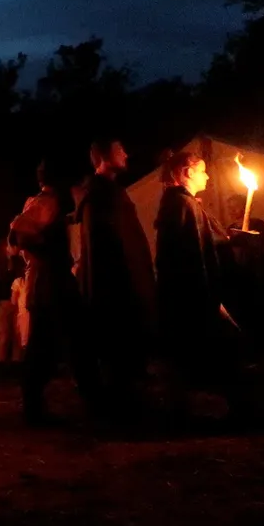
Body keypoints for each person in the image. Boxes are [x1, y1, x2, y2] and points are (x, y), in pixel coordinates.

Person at [155, 152, 252, 423]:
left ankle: (198, 407)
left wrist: (231, 237)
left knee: (204, 353)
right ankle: (213, 411)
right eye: (202, 171)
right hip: (192, 295)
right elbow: (193, 254)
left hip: (192, 294)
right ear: (187, 173)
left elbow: (204, 239)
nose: (207, 176)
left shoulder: (182, 203)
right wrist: (209, 299)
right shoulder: (181, 205)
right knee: (216, 349)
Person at [73, 138, 157, 422]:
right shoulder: (99, 195)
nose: (127, 153)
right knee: (118, 352)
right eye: (121, 150)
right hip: (115, 290)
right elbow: (107, 248)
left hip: (121, 285)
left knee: (124, 355)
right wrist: (127, 284)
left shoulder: (107, 192)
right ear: (105, 156)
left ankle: (123, 405)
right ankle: (119, 411)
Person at [10, 160, 88, 425]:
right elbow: (20, 231)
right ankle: (34, 405)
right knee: (47, 341)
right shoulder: (45, 202)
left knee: (68, 337)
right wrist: (48, 254)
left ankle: (89, 396)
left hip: (53, 278)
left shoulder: (53, 202)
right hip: (48, 280)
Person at [223, 193, 264, 356]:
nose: (233, 210)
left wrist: (251, 245)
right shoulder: (229, 230)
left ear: (245, 206)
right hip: (243, 280)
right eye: (230, 207)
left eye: (236, 206)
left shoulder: (259, 225)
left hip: (260, 277)